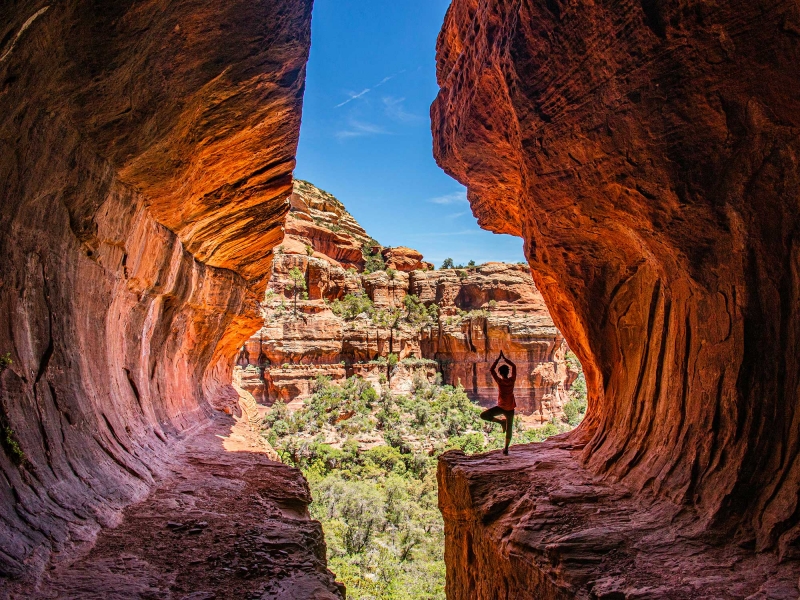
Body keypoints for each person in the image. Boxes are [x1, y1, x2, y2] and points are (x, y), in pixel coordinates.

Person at [481, 350, 517, 455]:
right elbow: (514, 366)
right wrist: (505, 359)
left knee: (484, 415)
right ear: (508, 372)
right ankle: (506, 448)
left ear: (500, 373)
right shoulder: (512, 380)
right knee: (509, 428)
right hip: (510, 408)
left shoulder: (500, 381)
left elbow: (492, 370)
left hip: (501, 407)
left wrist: (498, 359)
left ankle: (500, 422)